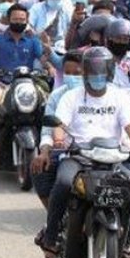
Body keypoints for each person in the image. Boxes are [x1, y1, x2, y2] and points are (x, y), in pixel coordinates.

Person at [39, 47, 130, 258]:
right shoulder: (71, 97)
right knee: (62, 183)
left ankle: (125, 242)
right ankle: (50, 237)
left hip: (112, 159)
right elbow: (59, 124)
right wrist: (59, 140)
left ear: (108, 72)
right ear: (85, 72)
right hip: (78, 158)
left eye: (100, 71)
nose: (96, 76)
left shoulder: (119, 97)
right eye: (91, 71)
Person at [0, 3, 50, 159]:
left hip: (28, 83)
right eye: (15, 19)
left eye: (22, 19)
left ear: (27, 20)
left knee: (48, 105)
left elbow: (42, 58)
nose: (19, 22)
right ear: (8, 19)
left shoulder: (32, 39)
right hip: (3, 82)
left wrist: (50, 67)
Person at [31, 50, 84, 209]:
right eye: (67, 72)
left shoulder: (101, 95)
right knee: (40, 169)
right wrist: (45, 151)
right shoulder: (57, 96)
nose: (72, 76)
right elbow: (49, 129)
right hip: (66, 150)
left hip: (98, 152)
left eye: (77, 73)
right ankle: (55, 218)